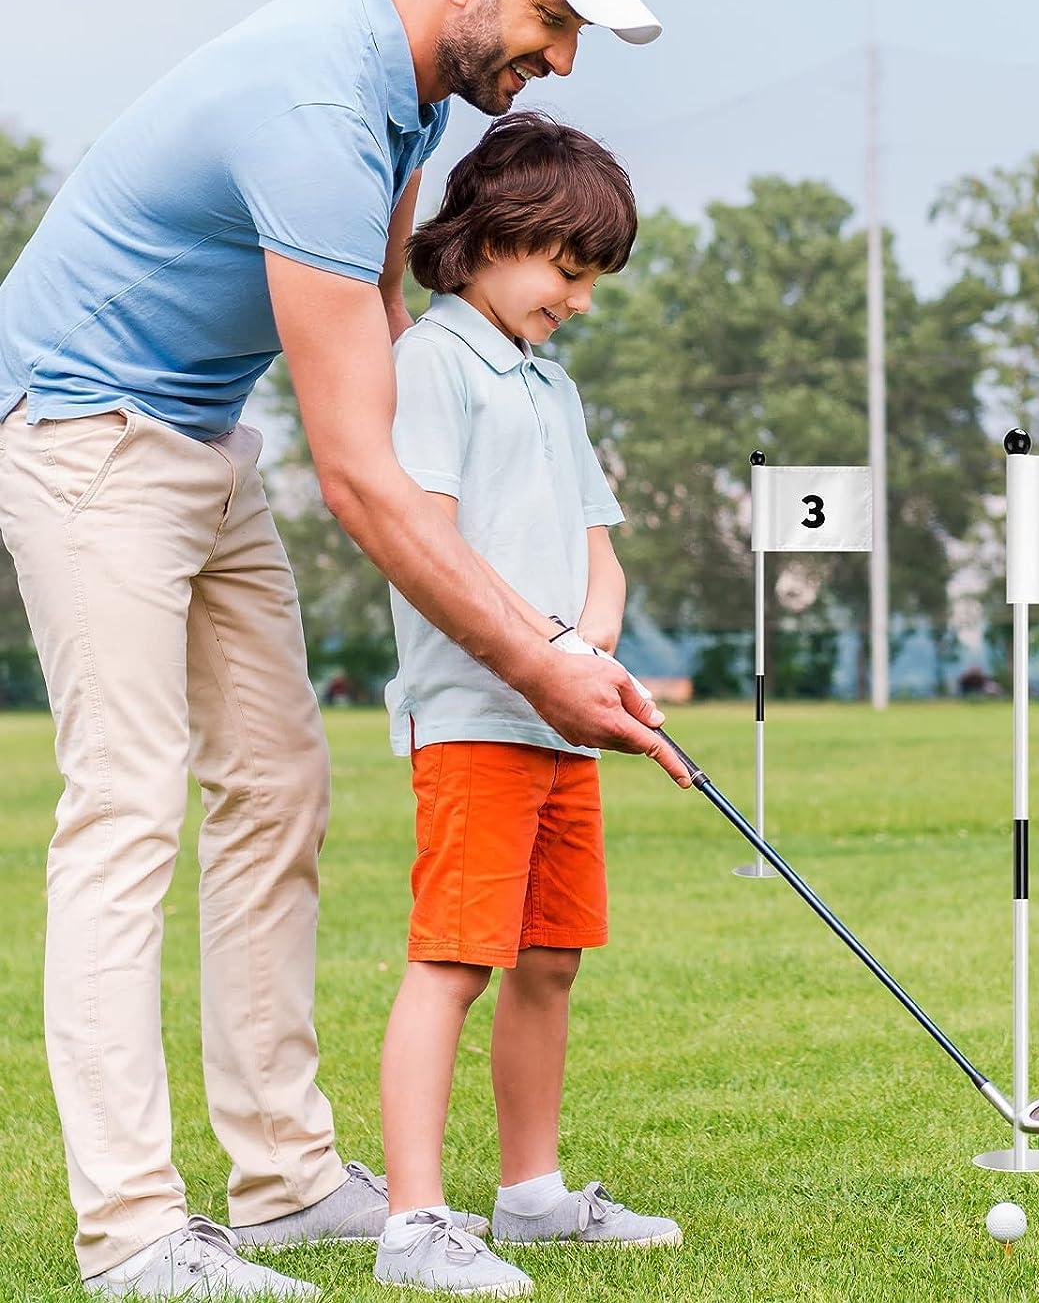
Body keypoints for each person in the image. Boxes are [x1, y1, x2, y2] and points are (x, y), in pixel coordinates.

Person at [0, 0, 688, 1301]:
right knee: (127, 805)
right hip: (80, 432)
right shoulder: (318, 102)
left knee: (279, 786)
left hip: (201, 436)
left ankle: (285, 1180)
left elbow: (377, 311)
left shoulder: (414, 95)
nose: (562, 59)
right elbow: (365, 478)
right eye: (554, 19)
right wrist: (541, 660)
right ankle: (132, 1232)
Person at [372, 113, 680, 1297]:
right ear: (497, 236)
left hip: (562, 724)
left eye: (595, 277)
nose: (582, 300)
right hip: (471, 720)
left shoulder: (553, 385)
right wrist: (549, 651)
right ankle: (414, 1224)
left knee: (550, 959)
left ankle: (532, 1196)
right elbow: (430, 539)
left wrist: (589, 649)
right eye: (569, 268)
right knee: (455, 962)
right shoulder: (432, 366)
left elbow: (602, 551)